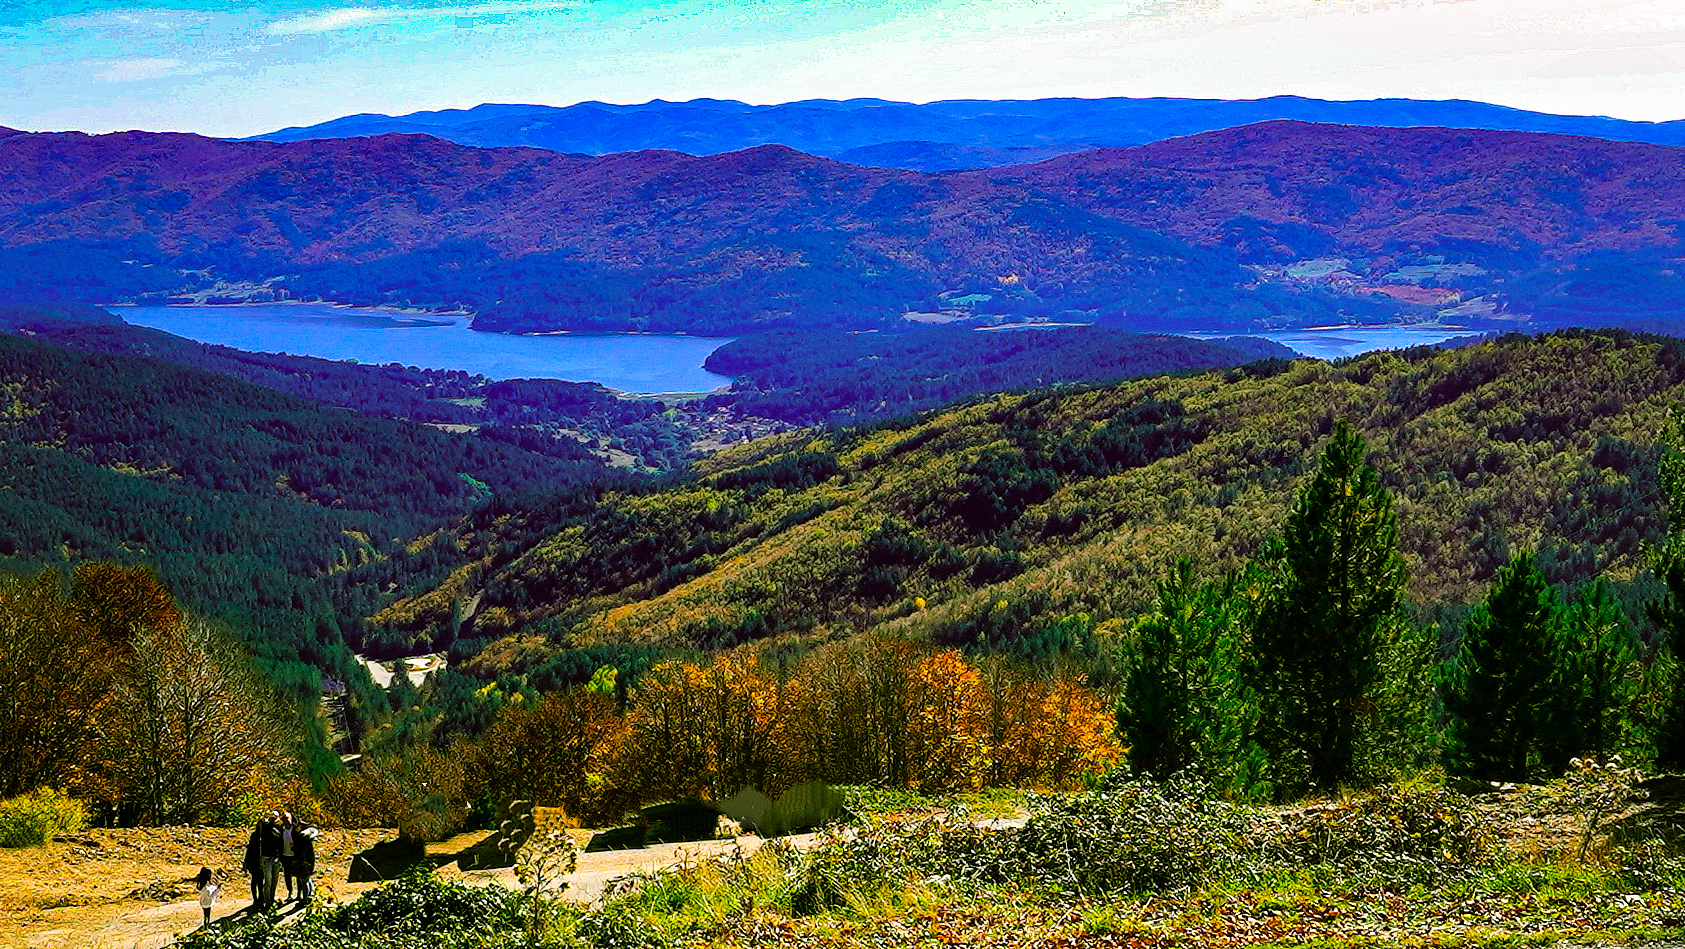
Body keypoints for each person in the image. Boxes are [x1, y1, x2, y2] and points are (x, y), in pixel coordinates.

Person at [257, 811, 284, 908]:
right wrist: (266, 816)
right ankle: (267, 901)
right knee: (268, 881)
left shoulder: (278, 828)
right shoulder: (265, 827)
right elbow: (260, 821)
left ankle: (271, 899)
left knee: (274, 881)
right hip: (267, 857)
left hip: (276, 857)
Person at [292, 822, 318, 903]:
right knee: (308, 879)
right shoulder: (308, 838)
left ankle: (305, 898)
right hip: (309, 861)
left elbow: (298, 850)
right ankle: (310, 896)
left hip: (303, 861)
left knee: (304, 881)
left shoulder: (302, 838)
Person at [242, 823, 262, 905]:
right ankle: (257, 898)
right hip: (255, 860)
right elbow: (250, 849)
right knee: (257, 881)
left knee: (258, 881)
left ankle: (259, 898)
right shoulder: (256, 835)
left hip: (256, 860)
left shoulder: (260, 835)